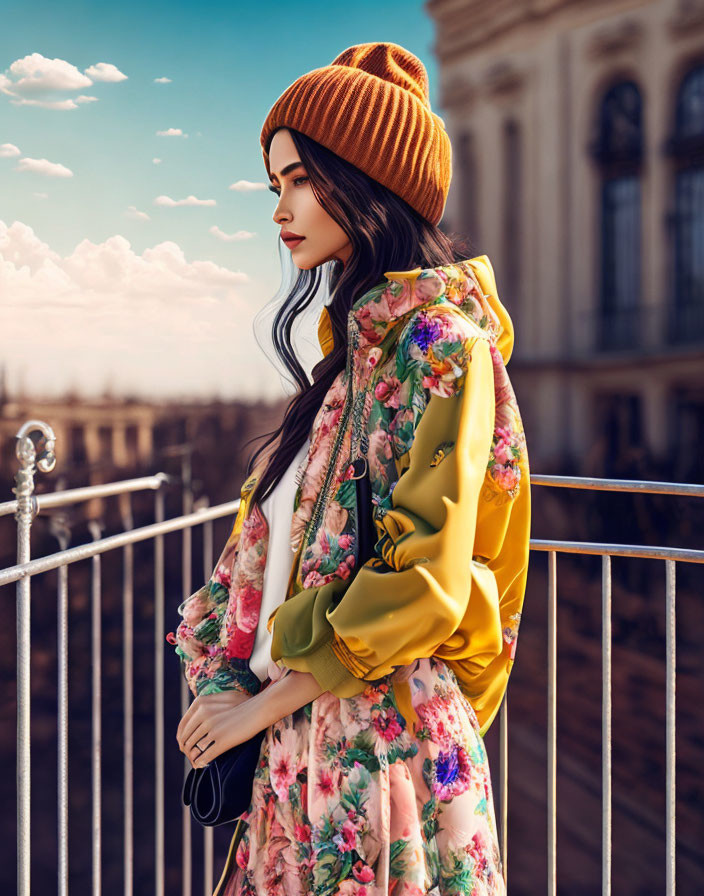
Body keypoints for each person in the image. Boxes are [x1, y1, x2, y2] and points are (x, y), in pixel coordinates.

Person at [169, 41, 531, 896]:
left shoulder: (443, 348)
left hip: (383, 769)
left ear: (366, 179)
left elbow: (426, 584)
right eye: (274, 185)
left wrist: (254, 708)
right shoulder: (347, 367)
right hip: (296, 761)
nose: (279, 207)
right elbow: (260, 560)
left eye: (297, 178)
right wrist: (224, 685)